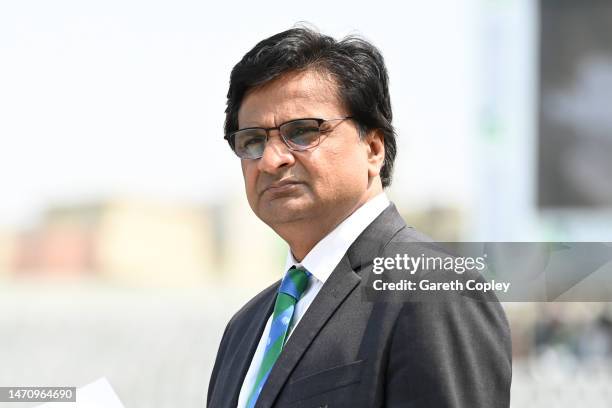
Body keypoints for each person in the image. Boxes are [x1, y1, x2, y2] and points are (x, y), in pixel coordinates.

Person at [207, 27, 511, 408]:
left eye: (302, 132)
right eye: (252, 141)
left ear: (373, 148)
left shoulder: (433, 289)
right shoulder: (245, 327)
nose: (271, 160)